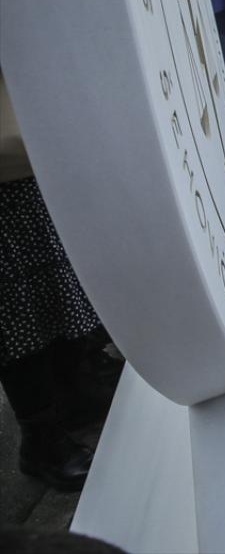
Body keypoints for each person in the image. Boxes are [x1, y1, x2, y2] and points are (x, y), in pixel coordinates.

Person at [0, 69, 117, 491]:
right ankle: (39, 435)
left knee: (57, 280)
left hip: (30, 161)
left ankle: (73, 388)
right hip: (8, 161)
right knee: (14, 306)